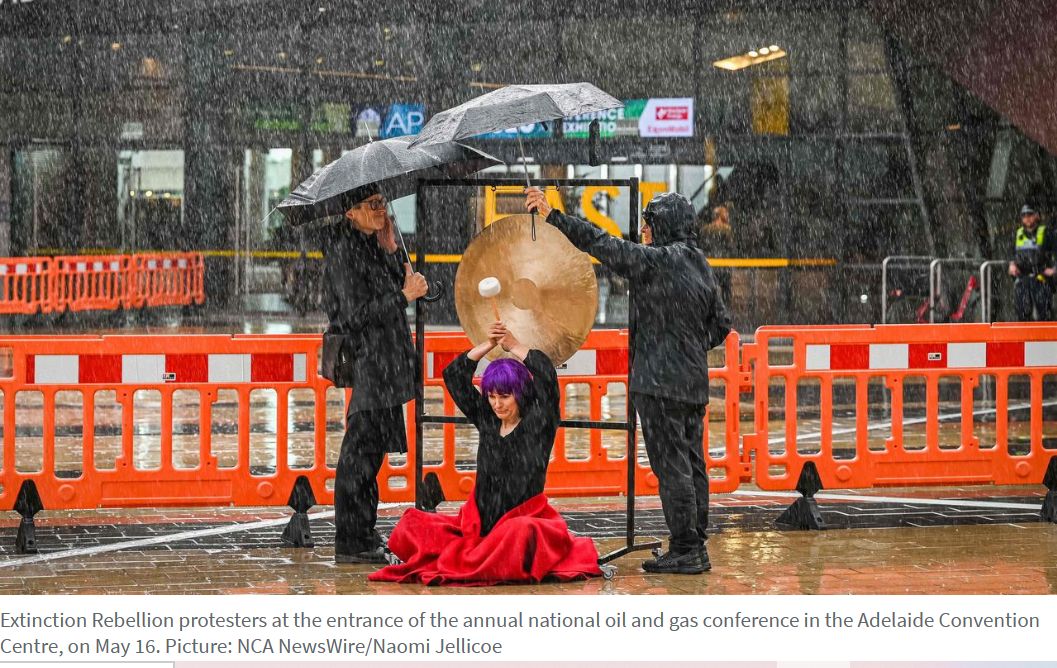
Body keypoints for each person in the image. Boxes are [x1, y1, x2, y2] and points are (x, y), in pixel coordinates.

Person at [525, 187, 731, 575]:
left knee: (672, 468)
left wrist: (554, 217)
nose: (643, 230)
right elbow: (721, 324)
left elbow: (601, 243)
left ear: (664, 226)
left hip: (658, 383)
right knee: (692, 462)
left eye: (649, 224)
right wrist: (687, 345)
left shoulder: (656, 262)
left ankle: (686, 548)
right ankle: (695, 544)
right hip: (691, 382)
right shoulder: (700, 263)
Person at [369, 322, 602, 585]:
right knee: (413, 523)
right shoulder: (488, 419)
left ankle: (488, 557)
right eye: (491, 396)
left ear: (520, 393)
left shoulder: (539, 423)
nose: (497, 404)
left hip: (519, 521)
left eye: (504, 396)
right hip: (479, 526)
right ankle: (482, 554)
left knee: (519, 532)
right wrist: (489, 344)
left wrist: (513, 345)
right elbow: (454, 375)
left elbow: (547, 376)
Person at [322, 186, 428, 564]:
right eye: (372, 205)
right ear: (350, 212)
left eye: (383, 203)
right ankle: (352, 541)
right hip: (370, 363)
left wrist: (393, 251)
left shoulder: (373, 245)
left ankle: (363, 532)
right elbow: (355, 316)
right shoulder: (343, 252)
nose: (381, 209)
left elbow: (393, 287)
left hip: (386, 363)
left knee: (371, 454)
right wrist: (403, 296)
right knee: (359, 454)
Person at [1008, 204, 1056, 321]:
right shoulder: (1017, 234)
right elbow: (1010, 253)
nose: (1027, 218)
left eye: (1030, 214)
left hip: (1041, 278)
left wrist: (1054, 269)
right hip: (1022, 278)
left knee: (1044, 314)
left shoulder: (1047, 233)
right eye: (1024, 215)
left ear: (1036, 216)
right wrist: (1012, 265)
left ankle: (1045, 333)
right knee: (1022, 313)